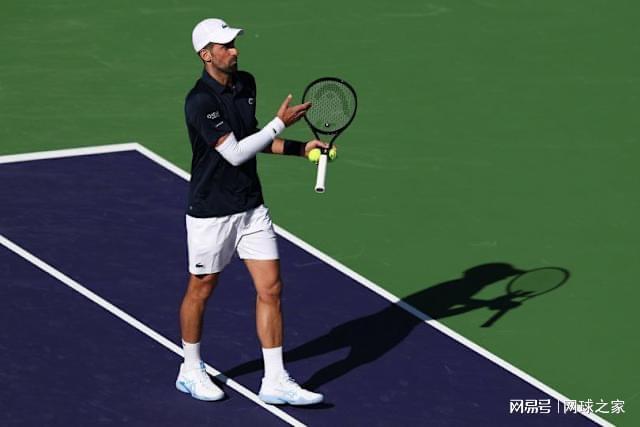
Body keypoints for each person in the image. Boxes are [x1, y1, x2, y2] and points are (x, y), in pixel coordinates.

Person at [175, 18, 328, 406]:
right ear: (206, 55)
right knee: (201, 288)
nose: (234, 50)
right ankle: (190, 369)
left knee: (271, 288)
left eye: (234, 43)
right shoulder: (200, 102)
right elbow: (235, 152)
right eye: (225, 46)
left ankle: (274, 380)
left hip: (250, 206)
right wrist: (280, 124)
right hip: (212, 212)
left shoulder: (246, 84)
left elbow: (253, 140)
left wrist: (300, 148)